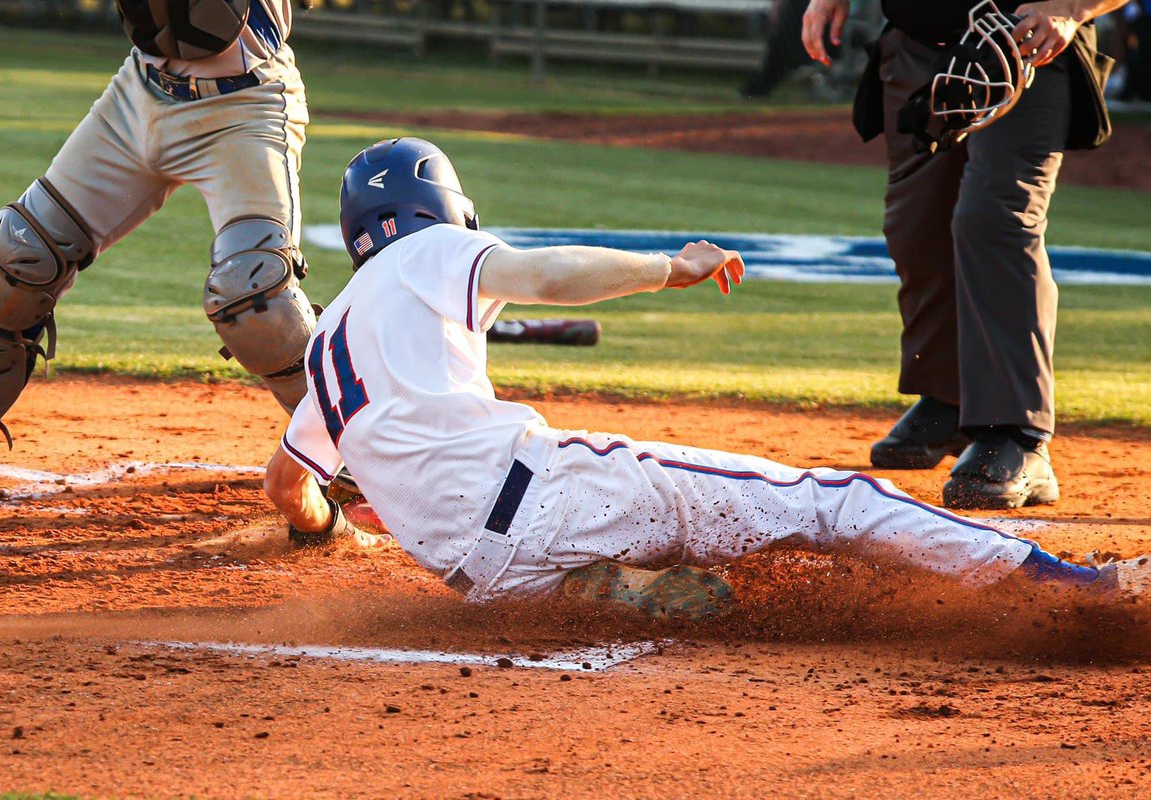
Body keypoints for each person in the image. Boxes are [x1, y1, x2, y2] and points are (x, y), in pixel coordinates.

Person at [263, 137, 1150, 620]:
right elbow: (545, 274)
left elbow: (287, 486)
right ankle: (1071, 585)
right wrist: (668, 268)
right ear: (444, 208)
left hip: (479, 578)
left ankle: (612, 588)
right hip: (550, 497)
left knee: (670, 561)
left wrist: (331, 526)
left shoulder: (325, 343)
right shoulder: (433, 253)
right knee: (831, 502)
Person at [0, 0, 320, 499]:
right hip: (138, 94)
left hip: (244, 106)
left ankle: (356, 453)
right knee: (20, 253)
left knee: (254, 293)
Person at [800, 0, 1128, 510]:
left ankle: (1017, 433)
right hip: (916, 43)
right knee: (917, 225)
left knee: (994, 221)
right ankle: (950, 396)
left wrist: (1070, 7)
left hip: (1026, 46)